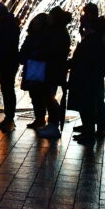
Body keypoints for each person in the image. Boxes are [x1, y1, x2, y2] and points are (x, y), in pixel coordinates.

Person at [68, 16, 105, 143]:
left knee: (87, 106)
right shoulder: (103, 41)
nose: (84, 29)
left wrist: (70, 64)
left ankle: (88, 133)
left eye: (86, 27)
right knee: (95, 104)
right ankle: (96, 130)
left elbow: (81, 59)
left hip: (86, 78)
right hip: (95, 78)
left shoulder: (91, 42)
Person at [37, 7, 72, 139]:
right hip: (53, 68)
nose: (48, 18)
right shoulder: (57, 31)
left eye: (50, 16)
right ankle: (52, 123)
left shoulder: (57, 32)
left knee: (49, 96)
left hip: (53, 69)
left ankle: (54, 125)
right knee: (48, 95)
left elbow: (52, 51)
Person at [20, 13, 51, 129]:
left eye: (37, 23)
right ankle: (39, 118)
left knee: (40, 95)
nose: (35, 25)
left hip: (40, 69)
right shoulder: (31, 37)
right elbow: (24, 49)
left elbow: (46, 53)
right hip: (32, 68)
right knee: (34, 95)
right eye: (34, 23)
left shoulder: (45, 38)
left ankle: (41, 118)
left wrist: (33, 56)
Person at [0, 3, 20, 132]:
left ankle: (9, 118)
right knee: (7, 90)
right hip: (8, 62)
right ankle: (9, 117)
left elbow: (3, 45)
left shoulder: (6, 25)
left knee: (8, 90)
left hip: (6, 62)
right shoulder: (9, 23)